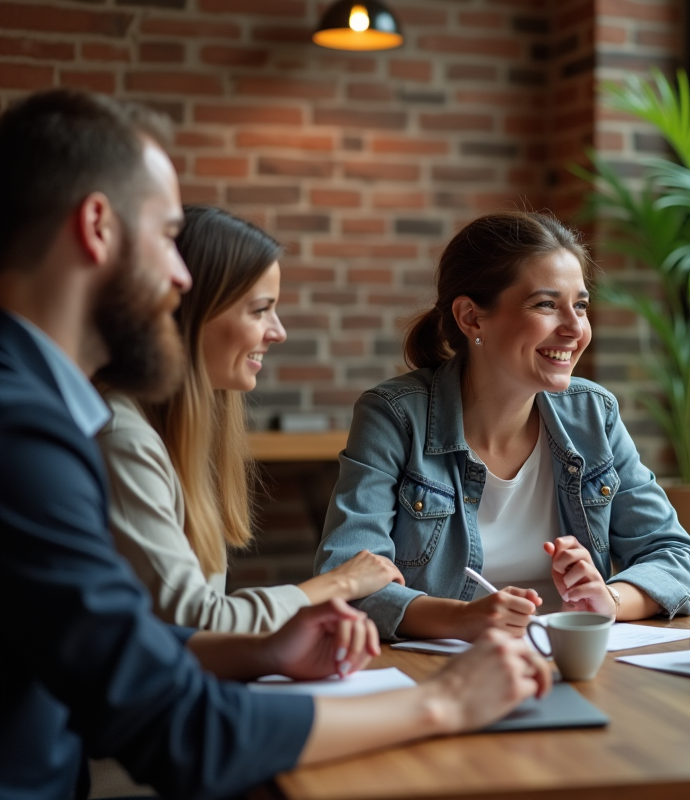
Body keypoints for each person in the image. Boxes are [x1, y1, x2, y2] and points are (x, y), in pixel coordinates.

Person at [0, 88, 550, 800]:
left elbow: (111, 645)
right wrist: (443, 702)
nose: (180, 277)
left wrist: (258, 650)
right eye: (167, 235)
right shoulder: (25, 432)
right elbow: (179, 730)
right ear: (97, 227)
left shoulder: (41, 411)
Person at [315, 210, 690, 641]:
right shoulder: (394, 415)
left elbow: (678, 556)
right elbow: (344, 580)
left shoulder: (593, 414)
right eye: (546, 305)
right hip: (449, 669)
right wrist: (461, 619)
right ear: (471, 317)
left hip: (574, 660)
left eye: (580, 306)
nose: (575, 328)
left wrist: (610, 600)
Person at [97, 205, 405, 633]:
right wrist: (339, 583)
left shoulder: (180, 433)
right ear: (191, 313)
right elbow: (197, 618)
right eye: (260, 310)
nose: (277, 331)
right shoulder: (123, 437)